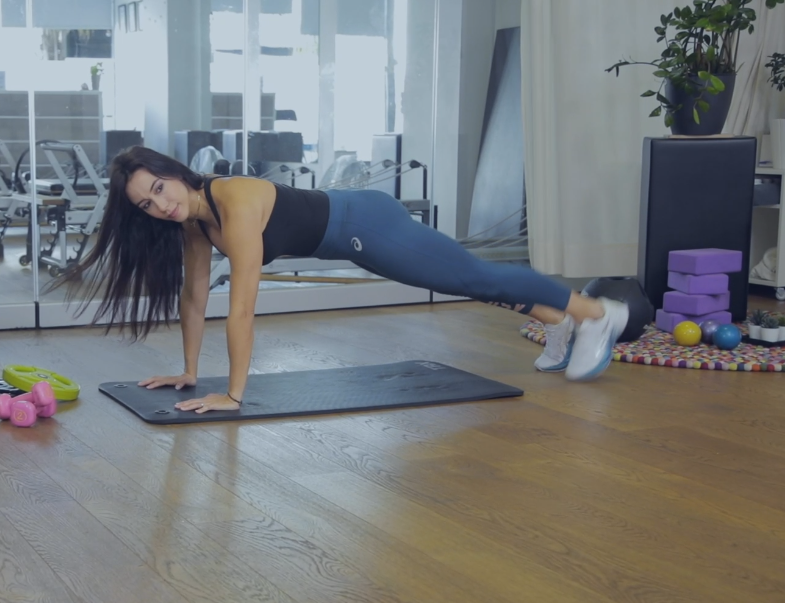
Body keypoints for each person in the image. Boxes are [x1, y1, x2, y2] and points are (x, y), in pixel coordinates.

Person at [58, 146, 628, 414]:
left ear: (174, 173)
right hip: (350, 234)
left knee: (471, 275)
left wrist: (233, 395)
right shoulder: (194, 222)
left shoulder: (233, 199)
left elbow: (243, 306)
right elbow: (194, 296)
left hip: (366, 225)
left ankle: (597, 314)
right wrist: (188, 370)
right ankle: (558, 323)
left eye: (160, 189)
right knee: (468, 281)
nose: (161, 205)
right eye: (147, 205)